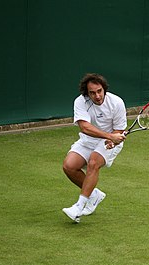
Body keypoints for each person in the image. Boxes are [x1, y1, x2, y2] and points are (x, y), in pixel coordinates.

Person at [62, 73, 127, 223]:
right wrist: (109, 136)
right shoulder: (80, 102)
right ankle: (94, 195)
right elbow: (84, 127)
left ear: (104, 89)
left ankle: (79, 206)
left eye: (99, 91)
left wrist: (113, 140)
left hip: (108, 142)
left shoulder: (116, 102)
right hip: (89, 140)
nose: (97, 96)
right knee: (69, 166)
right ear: (87, 93)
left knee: (93, 163)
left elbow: (118, 130)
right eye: (92, 93)